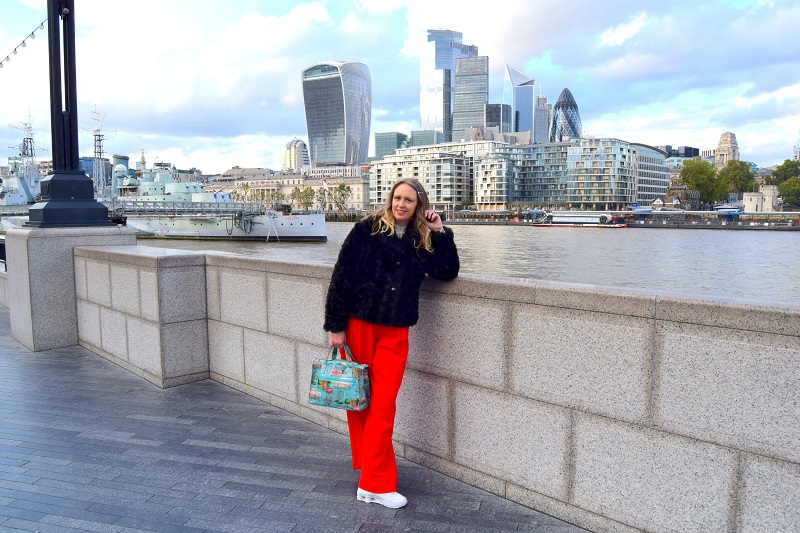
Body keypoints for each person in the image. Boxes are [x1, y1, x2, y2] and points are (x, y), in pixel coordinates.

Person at [324, 178, 459, 509]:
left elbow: (448, 271)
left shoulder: (421, 238)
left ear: (419, 205)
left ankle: (373, 481)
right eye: (397, 198)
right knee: (360, 405)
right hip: (359, 324)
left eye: (409, 200)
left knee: (384, 405)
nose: (401, 204)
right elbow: (342, 277)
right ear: (390, 200)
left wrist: (441, 232)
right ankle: (374, 482)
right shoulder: (366, 230)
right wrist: (335, 326)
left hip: (395, 331)